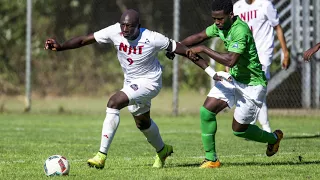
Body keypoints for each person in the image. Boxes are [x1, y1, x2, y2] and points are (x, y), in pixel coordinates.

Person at [44, 9, 219, 169]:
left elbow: (186, 51)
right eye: (123, 25)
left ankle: (101, 155)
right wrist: (60, 47)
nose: (125, 29)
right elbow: (83, 40)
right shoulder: (114, 31)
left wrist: (211, 72)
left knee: (114, 102)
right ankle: (162, 150)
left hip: (150, 82)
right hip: (131, 83)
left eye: (129, 26)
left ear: (139, 27)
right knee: (142, 123)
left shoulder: (152, 38)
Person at [176, 0, 283, 168]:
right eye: (214, 19)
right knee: (206, 111)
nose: (217, 23)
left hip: (252, 85)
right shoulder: (220, 26)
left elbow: (230, 60)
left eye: (220, 19)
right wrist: (175, 47)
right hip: (233, 79)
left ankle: (274, 138)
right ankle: (211, 159)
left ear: (231, 15)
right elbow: (199, 36)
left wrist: (204, 49)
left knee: (239, 130)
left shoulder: (240, 29)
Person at [232, 0, 290, 133]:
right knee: (248, 90)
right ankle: (251, 126)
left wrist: (285, 52)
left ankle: (264, 128)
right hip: (245, 55)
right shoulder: (237, 7)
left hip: (263, 54)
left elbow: (278, 27)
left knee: (257, 88)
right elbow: (233, 33)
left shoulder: (265, 5)